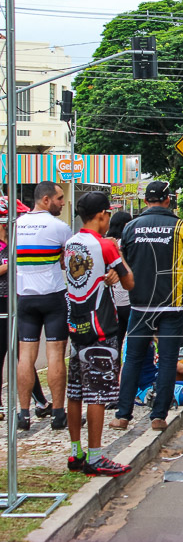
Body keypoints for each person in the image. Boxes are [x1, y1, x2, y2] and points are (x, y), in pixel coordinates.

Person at [112, 181, 183, 432]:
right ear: (167, 200)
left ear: (146, 200)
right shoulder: (181, 227)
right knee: (168, 360)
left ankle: (122, 415)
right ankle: (158, 416)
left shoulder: (130, 227)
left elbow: (122, 265)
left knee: (133, 359)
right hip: (172, 305)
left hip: (139, 305)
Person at [64, 192, 135, 476]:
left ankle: (75, 452)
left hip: (76, 323)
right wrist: (117, 272)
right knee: (98, 392)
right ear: (103, 215)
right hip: (101, 326)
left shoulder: (70, 243)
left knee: (76, 391)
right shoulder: (105, 244)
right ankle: (95, 457)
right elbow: (129, 282)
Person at [15, 181, 72, 431]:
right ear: (46, 200)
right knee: (55, 355)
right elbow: (69, 262)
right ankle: (58, 414)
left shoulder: (16, 225)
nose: (62, 203)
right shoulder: (60, 227)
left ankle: (24, 414)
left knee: (25, 357)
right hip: (52, 296)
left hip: (25, 297)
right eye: (59, 199)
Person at [0, 196, 50, 423]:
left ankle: (40, 402)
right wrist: (12, 262)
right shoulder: (7, 247)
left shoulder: (18, 242)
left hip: (20, 299)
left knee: (24, 355)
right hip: (2, 303)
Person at [106, 211, 134, 352]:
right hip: (127, 297)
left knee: (116, 340)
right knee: (134, 340)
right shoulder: (126, 243)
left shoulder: (106, 243)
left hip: (112, 301)